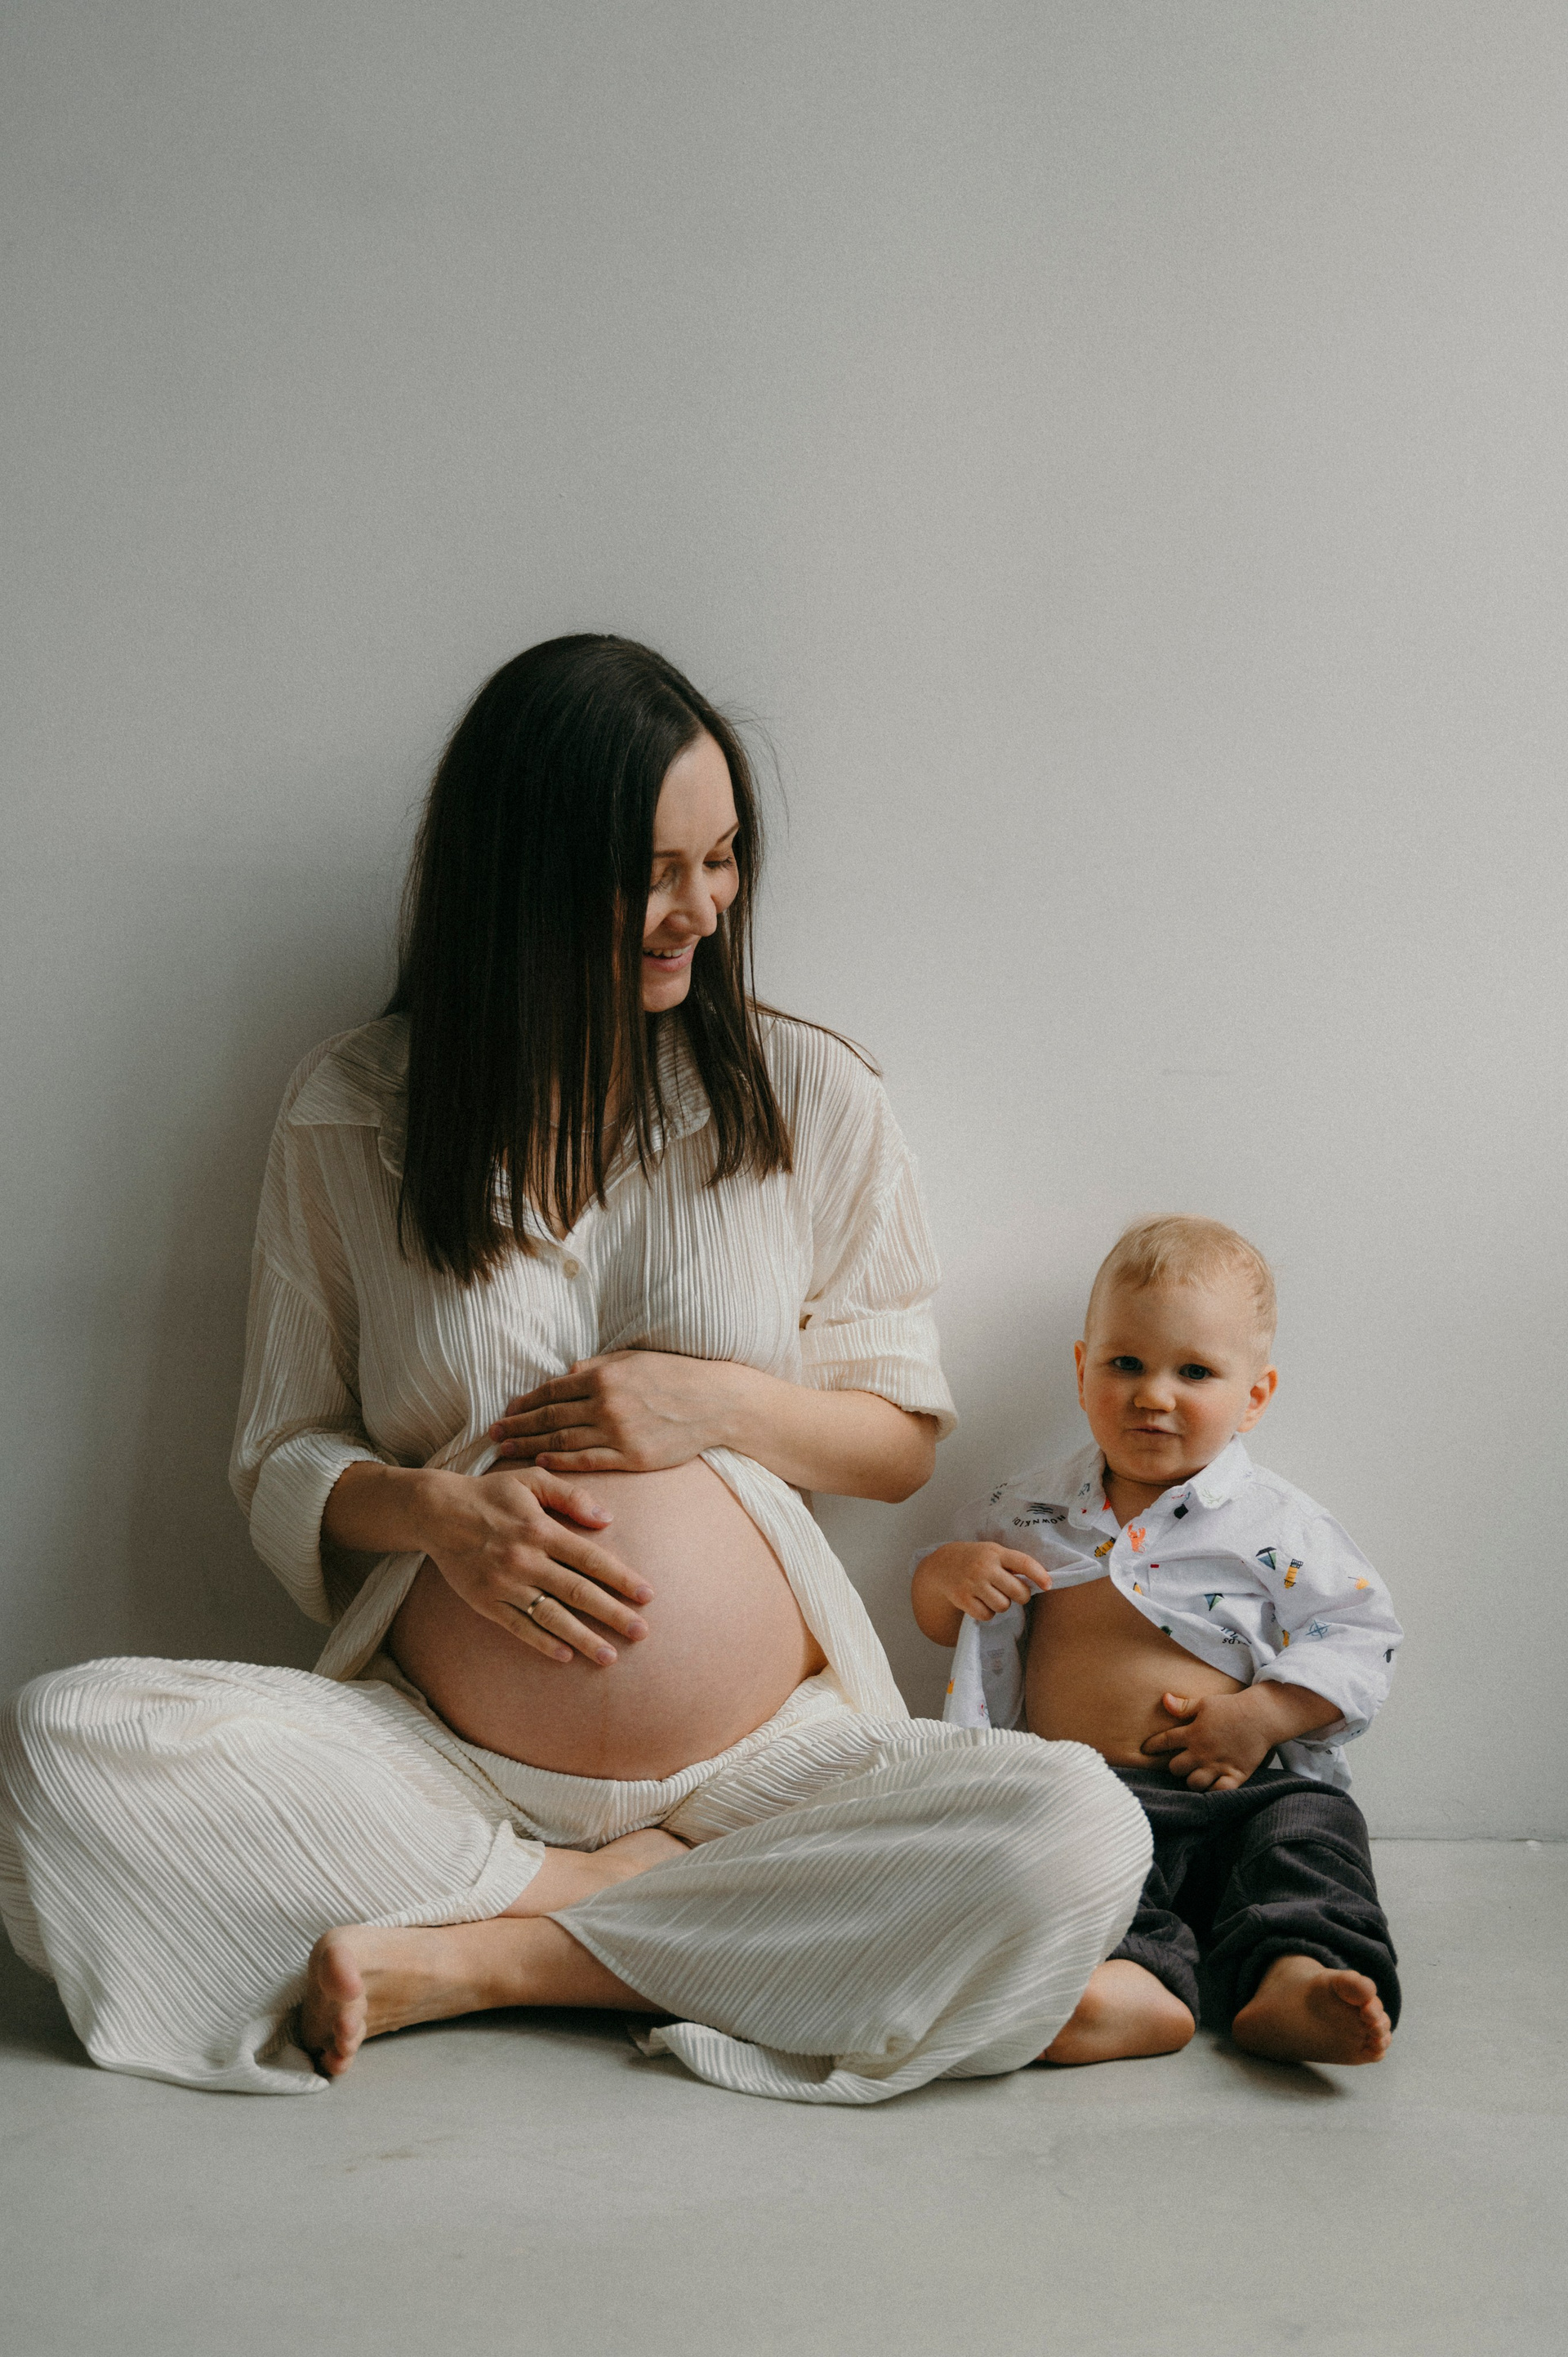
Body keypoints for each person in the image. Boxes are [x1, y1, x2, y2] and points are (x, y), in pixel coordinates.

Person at [0, 635, 1151, 2104]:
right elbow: (282, 1450)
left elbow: (895, 1437)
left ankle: (495, 1960)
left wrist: (717, 1403)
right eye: (655, 871)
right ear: (525, 870)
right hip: (440, 1766)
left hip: (760, 1772)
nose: (703, 909)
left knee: (1079, 1830)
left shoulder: (812, 1092)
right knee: (61, 1752)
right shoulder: (352, 1108)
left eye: (723, 860)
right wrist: (439, 1516)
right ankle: (645, 1913)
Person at [912, 1215, 1403, 2069]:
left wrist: (1264, 1715)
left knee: (1310, 1833)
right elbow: (946, 1621)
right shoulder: (1026, 1512)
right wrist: (945, 1574)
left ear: (1255, 1396)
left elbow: (1360, 1635)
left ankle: (1295, 1973)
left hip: (1241, 1790)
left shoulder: (1278, 1524)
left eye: (1195, 1372)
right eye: (1126, 1364)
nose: (1153, 1395)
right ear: (1083, 1370)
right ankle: (1138, 1986)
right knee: (1062, 1874)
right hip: (1086, 1797)